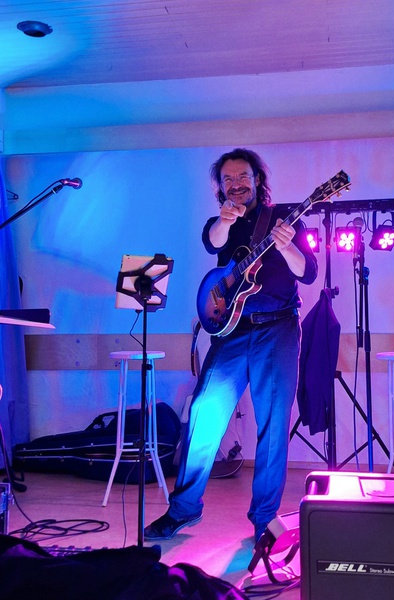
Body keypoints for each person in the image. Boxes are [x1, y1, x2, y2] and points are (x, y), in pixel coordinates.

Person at [144, 147, 318, 543]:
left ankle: (264, 520)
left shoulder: (285, 218)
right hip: (231, 330)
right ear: (220, 187)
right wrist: (224, 221)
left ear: (257, 180)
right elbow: (212, 242)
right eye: (228, 179)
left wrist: (288, 246)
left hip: (278, 328)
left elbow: (308, 273)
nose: (236, 184)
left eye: (243, 176)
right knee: (203, 414)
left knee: (273, 426)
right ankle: (183, 510)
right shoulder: (220, 222)